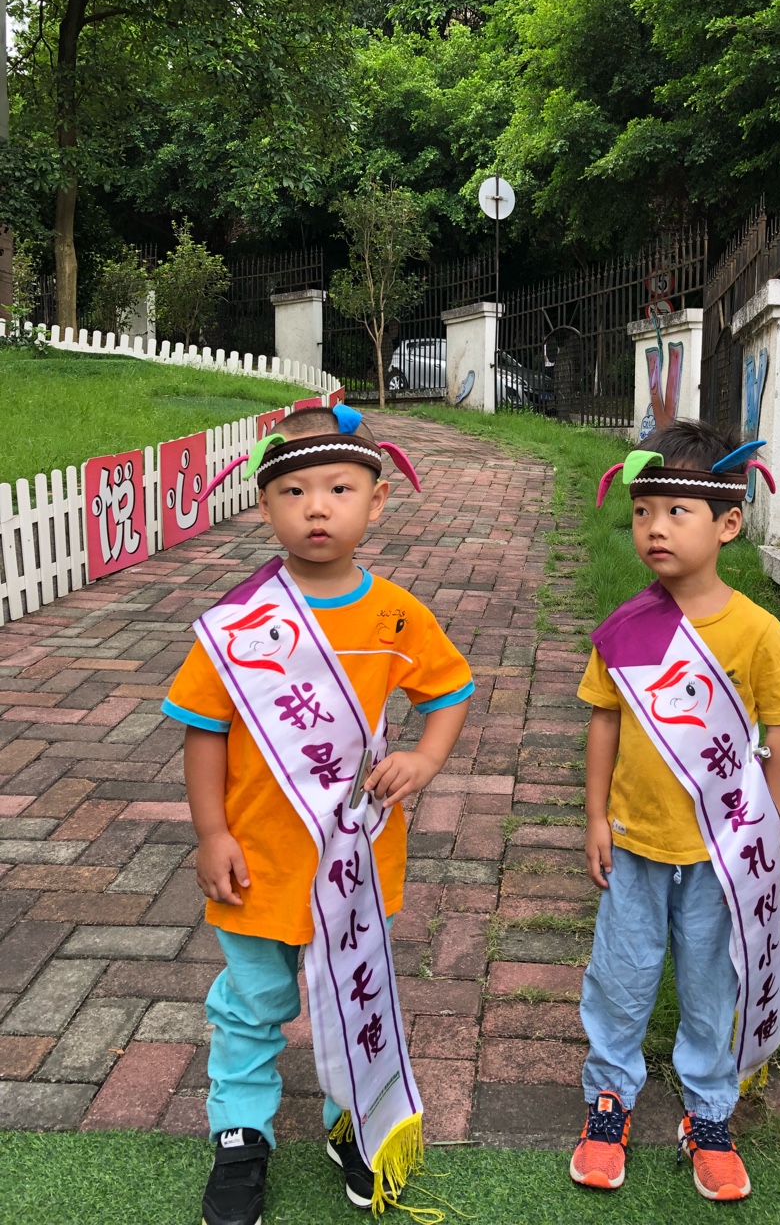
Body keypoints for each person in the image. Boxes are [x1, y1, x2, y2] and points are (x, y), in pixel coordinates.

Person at [162, 405, 473, 1225]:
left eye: (339, 488)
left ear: (377, 500)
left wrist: (426, 759)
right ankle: (240, 1138)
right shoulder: (241, 623)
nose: (317, 508)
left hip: (355, 860)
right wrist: (211, 832)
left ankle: (354, 1121)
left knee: (352, 994)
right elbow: (203, 731)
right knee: (252, 1004)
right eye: (294, 491)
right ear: (265, 506)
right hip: (257, 860)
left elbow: (448, 693)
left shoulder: (396, 613)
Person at [570, 419, 780, 1202]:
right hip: (637, 842)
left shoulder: (757, 631)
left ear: (728, 524)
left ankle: (710, 1112)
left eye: (677, 511)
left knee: (713, 986)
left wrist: (764, 828)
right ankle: (609, 1100)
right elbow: (604, 720)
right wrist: (596, 817)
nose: (655, 527)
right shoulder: (627, 630)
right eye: (644, 511)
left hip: (720, 854)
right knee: (621, 979)